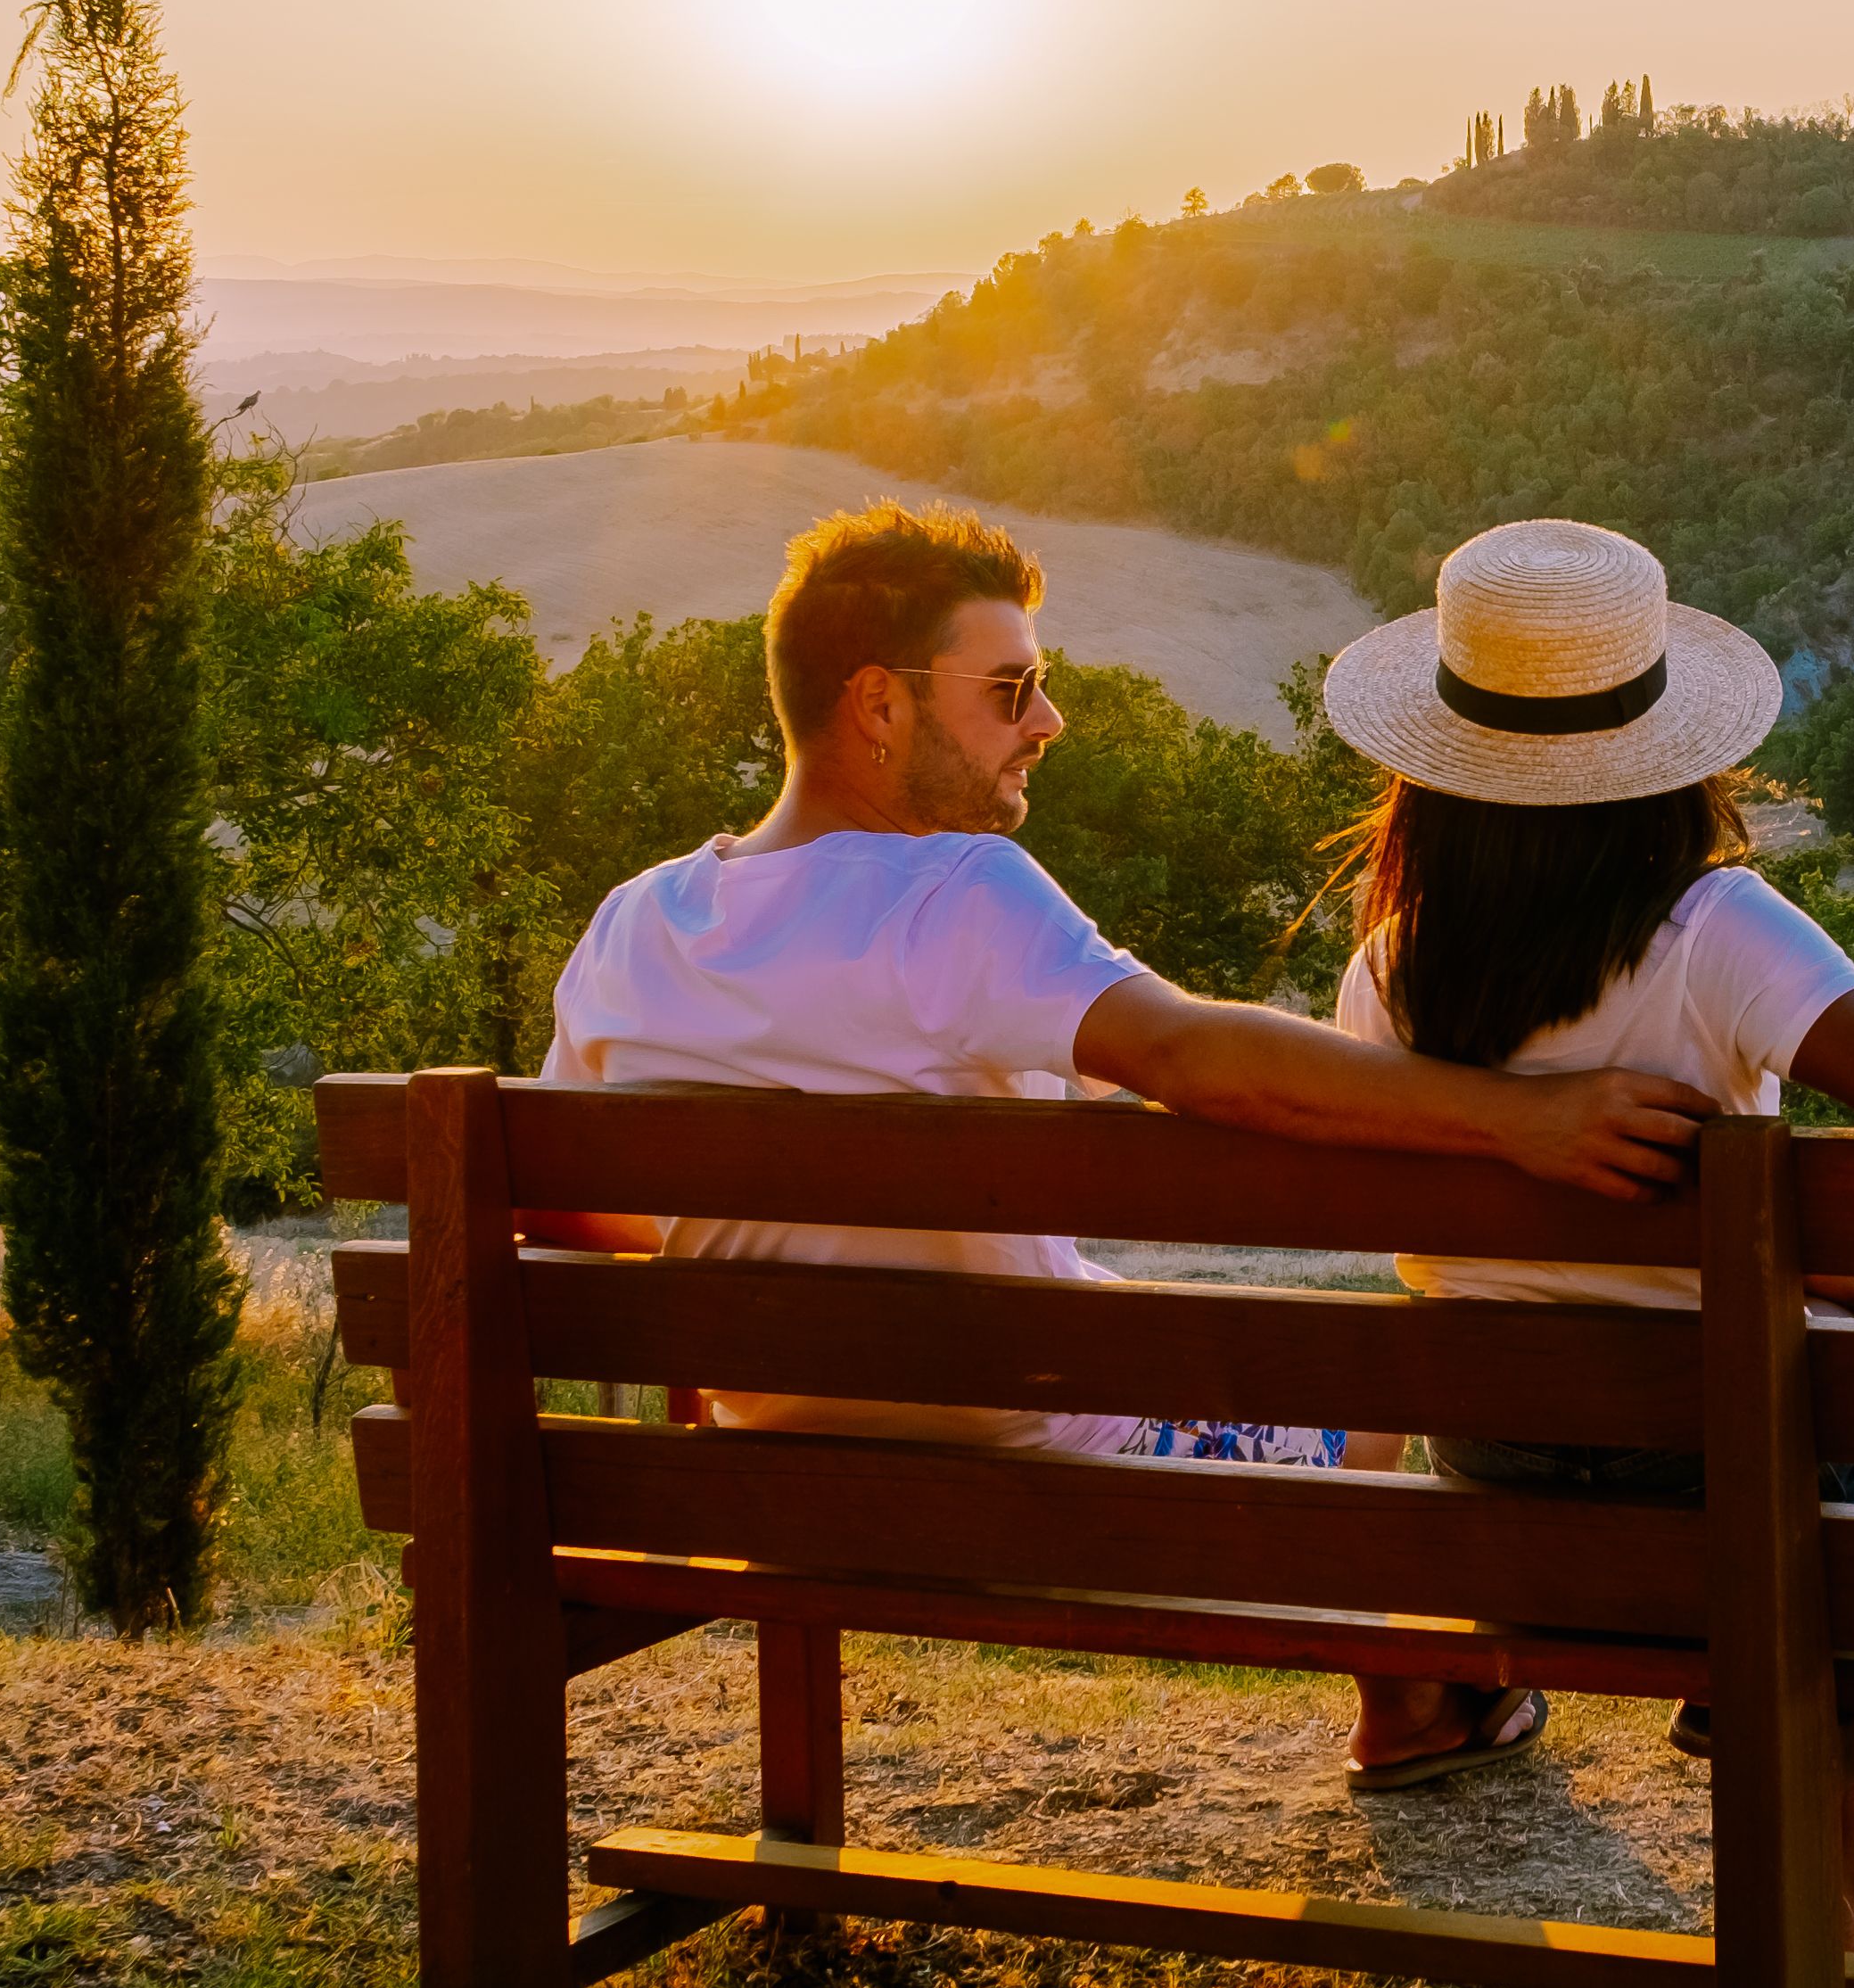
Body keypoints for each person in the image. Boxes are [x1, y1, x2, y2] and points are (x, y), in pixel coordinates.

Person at [527, 499, 1711, 1447]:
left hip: (772, 1444)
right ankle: (1412, 1711)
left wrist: (774, 1265)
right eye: (1009, 690)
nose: (1048, 721)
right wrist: (1520, 1117)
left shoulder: (638, 922)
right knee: (1369, 1396)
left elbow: (569, 1205)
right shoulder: (955, 892)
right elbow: (1190, 1057)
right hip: (1032, 1432)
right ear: (878, 704)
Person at [1310, 517, 1854, 1959]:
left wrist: (1736, 1234)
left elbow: (1419, 1227)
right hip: (1732, 1498)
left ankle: (1450, 1704)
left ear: (1438, 765)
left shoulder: (1387, 970)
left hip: (1496, 1483)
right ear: (1666, 756)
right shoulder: (1714, 929)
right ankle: (1846, 1865)